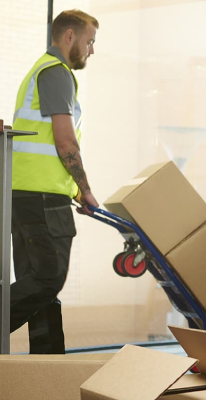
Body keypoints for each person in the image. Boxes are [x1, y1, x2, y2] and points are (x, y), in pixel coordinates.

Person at [10, 9, 99, 354]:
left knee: (39, 285)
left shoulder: (38, 72)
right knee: (49, 278)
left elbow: (47, 143)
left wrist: (75, 189)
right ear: (70, 36)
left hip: (27, 194)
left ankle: (47, 365)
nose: (91, 50)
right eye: (90, 41)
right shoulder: (56, 73)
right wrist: (87, 190)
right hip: (43, 200)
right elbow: (64, 141)